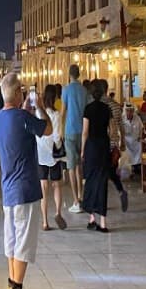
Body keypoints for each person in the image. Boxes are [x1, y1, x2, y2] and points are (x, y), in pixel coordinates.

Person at [0, 72, 51, 289]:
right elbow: (47, 129)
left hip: (8, 189)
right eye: (22, 91)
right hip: (26, 188)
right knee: (24, 243)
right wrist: (40, 107)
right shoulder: (23, 117)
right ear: (18, 93)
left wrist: (24, 110)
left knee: (12, 241)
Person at [82, 79, 116, 232]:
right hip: (103, 147)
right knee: (102, 182)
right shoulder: (107, 108)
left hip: (91, 147)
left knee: (90, 181)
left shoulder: (88, 108)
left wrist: (82, 150)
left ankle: (91, 218)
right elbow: (112, 130)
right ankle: (103, 222)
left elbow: (85, 132)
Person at [36, 84, 66, 231]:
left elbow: (36, 133)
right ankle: (58, 213)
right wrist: (58, 146)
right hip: (53, 154)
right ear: (53, 97)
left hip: (41, 153)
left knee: (43, 187)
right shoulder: (56, 115)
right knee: (57, 185)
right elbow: (58, 136)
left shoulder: (38, 113)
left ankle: (44, 222)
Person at [62, 64, 89, 214]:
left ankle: (75, 201)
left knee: (71, 167)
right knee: (80, 165)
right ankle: (81, 194)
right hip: (83, 130)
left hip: (70, 131)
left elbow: (63, 112)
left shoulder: (66, 90)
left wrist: (59, 130)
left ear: (69, 74)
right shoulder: (84, 91)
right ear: (79, 74)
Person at [120, 104, 143, 179]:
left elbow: (141, 128)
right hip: (126, 140)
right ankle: (130, 169)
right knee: (125, 148)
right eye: (127, 111)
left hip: (136, 140)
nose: (129, 112)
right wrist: (122, 140)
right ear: (125, 111)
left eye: (131, 111)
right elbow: (119, 131)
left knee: (140, 145)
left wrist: (140, 136)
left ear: (133, 111)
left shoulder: (137, 118)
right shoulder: (122, 119)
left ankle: (138, 166)